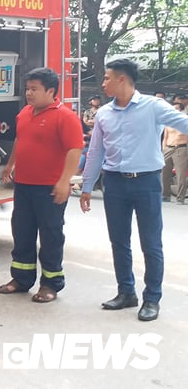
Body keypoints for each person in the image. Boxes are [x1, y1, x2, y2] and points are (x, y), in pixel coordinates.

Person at [80, 58, 188, 322]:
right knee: (119, 241)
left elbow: (184, 123)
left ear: (122, 79)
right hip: (114, 183)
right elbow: (95, 152)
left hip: (147, 182)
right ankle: (126, 292)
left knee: (151, 244)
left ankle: (152, 298)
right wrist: (85, 186)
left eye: (107, 78)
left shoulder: (153, 107)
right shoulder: (104, 113)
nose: (103, 83)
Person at [0, 68, 83, 304]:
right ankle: (21, 279)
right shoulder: (24, 113)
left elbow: (75, 149)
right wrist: (10, 165)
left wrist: (65, 181)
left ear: (51, 91)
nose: (29, 93)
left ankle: (50, 283)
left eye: (35, 89)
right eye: (27, 89)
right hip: (24, 185)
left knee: (51, 236)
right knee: (22, 232)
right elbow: (19, 139)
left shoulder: (65, 117)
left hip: (49, 189)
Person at [161, 102, 188, 204]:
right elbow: (165, 137)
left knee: (181, 174)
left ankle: (180, 198)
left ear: (181, 110)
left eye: (176, 108)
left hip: (180, 148)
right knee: (164, 172)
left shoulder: (185, 121)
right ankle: (165, 195)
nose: (174, 110)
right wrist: (163, 149)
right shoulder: (168, 123)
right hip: (168, 147)